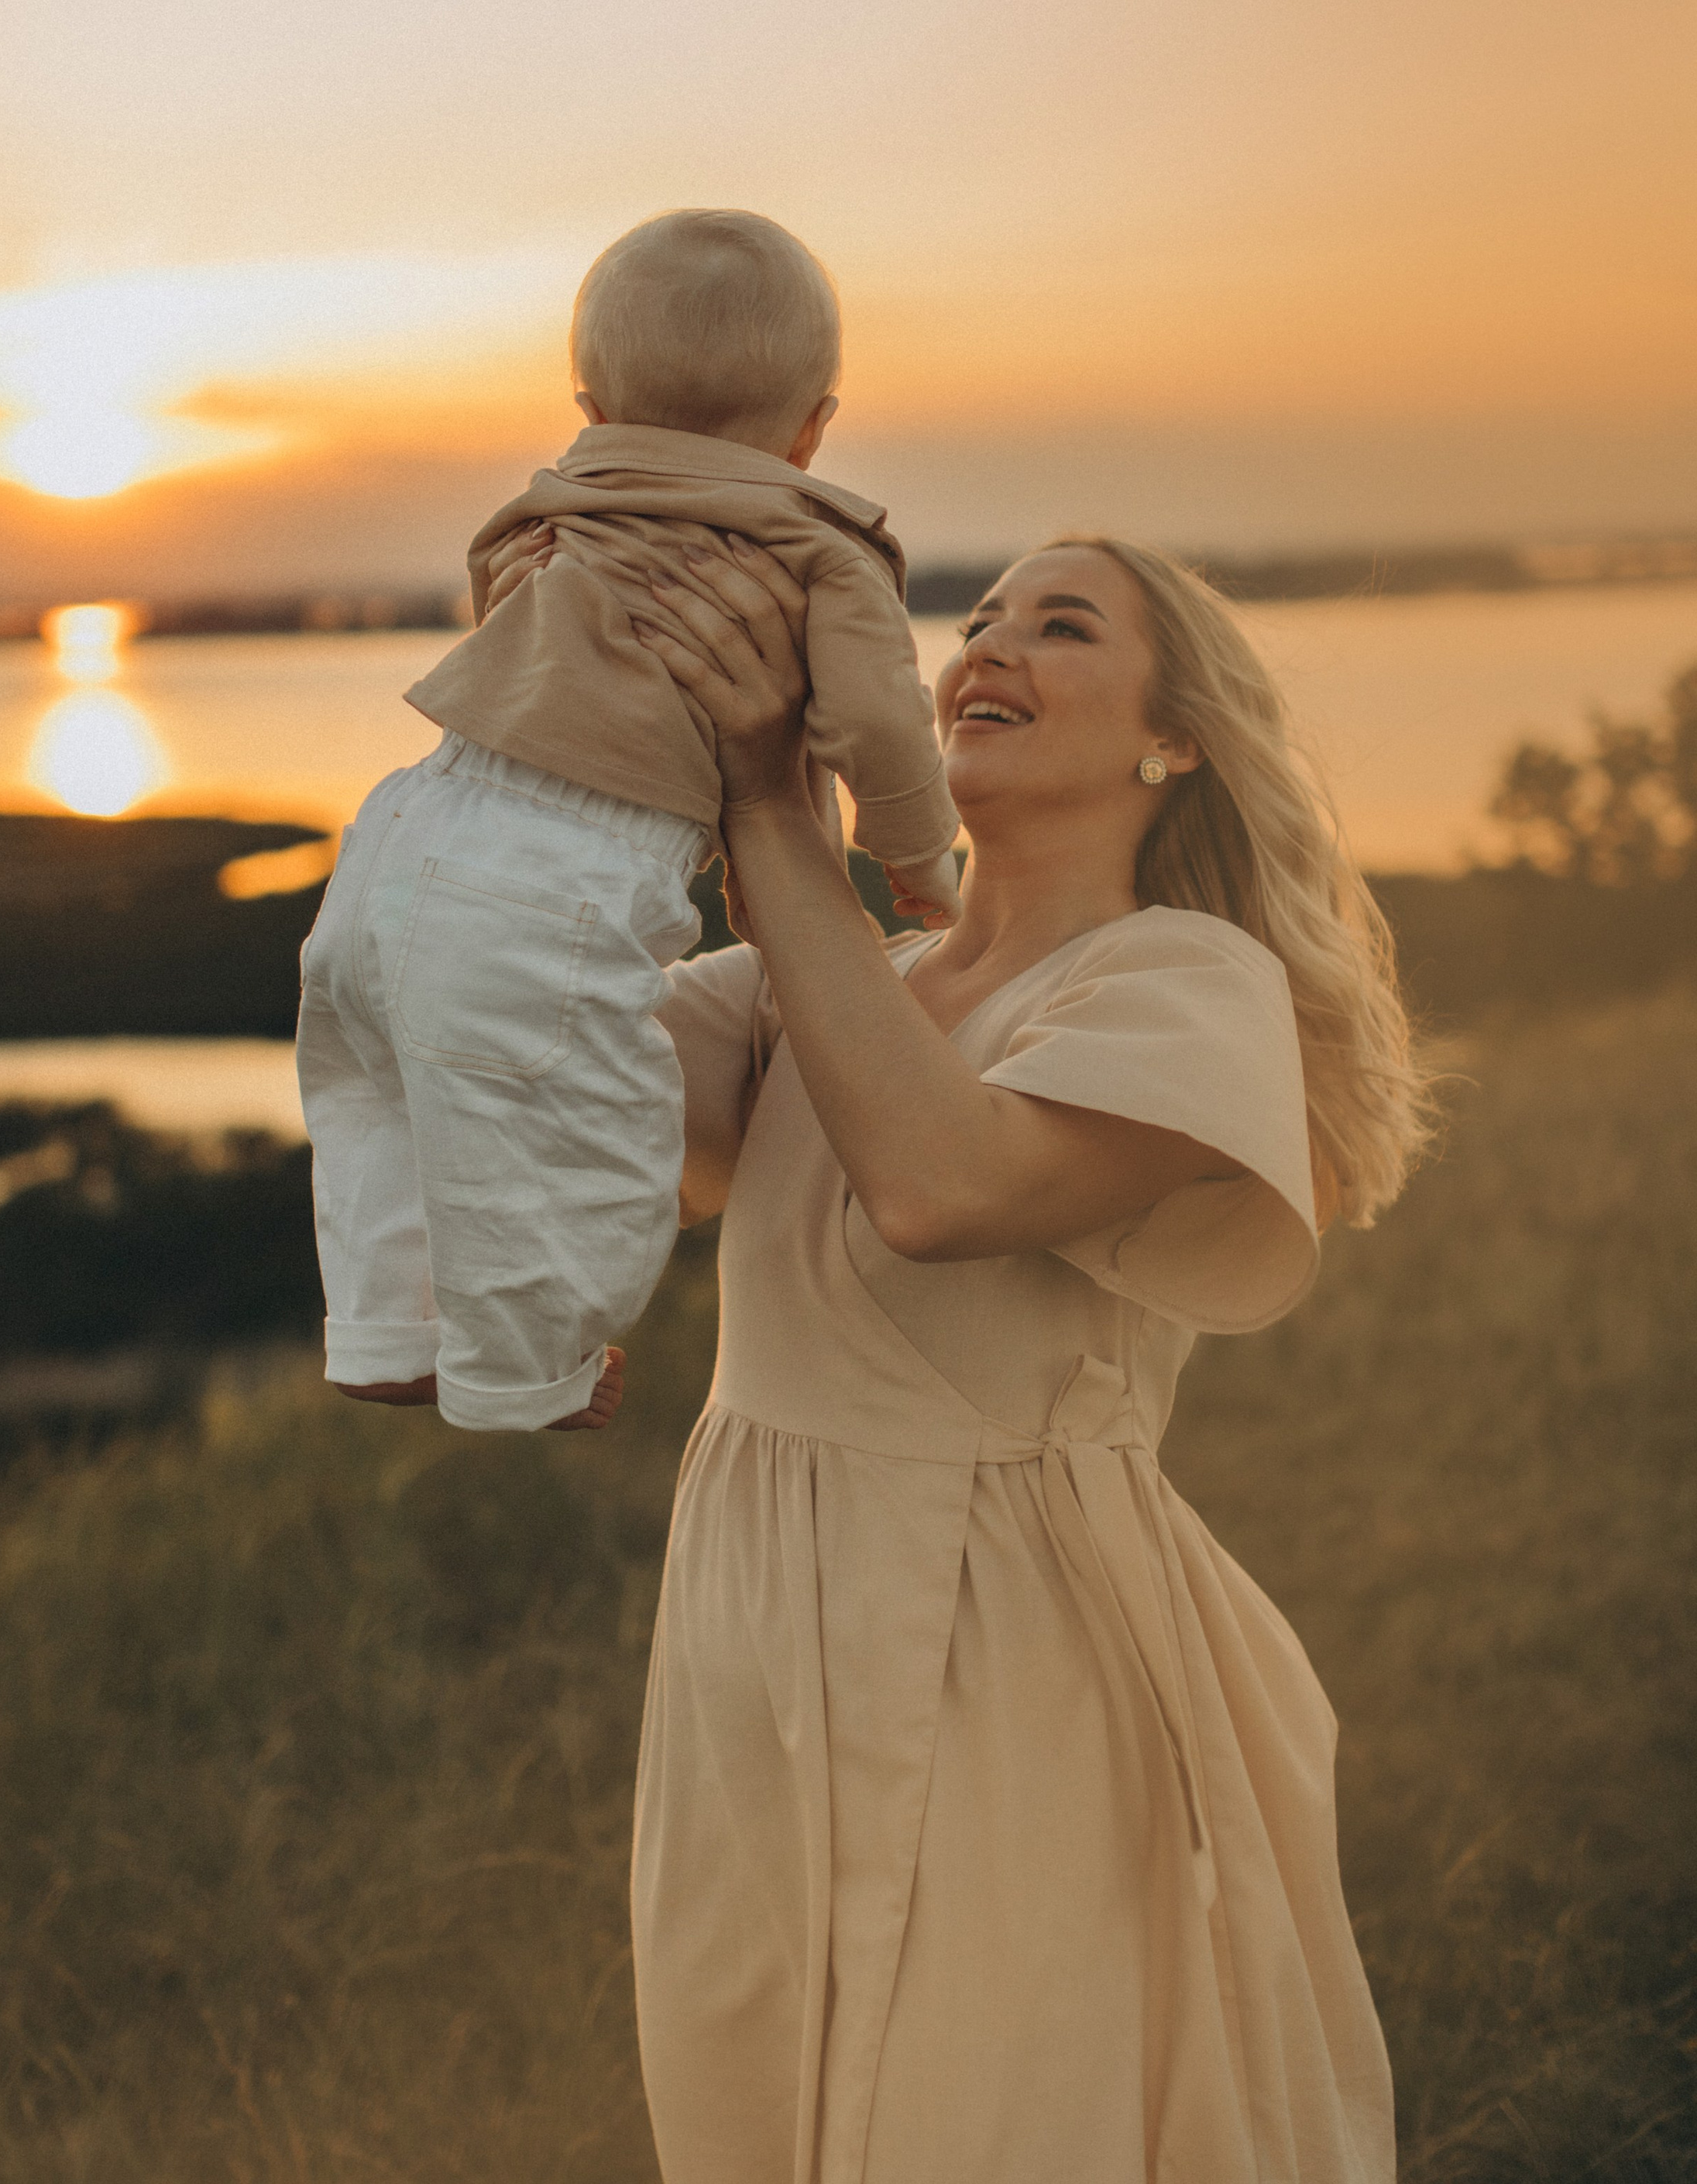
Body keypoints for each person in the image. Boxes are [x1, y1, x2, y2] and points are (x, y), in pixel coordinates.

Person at [613, 528, 1430, 2183]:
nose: (984, 650)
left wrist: (773, 822)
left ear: (1169, 737)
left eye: (1058, 629)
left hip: (1004, 1632)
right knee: (752, 2108)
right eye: (973, 622)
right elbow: (543, 1098)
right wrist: (593, 679)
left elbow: (936, 1187)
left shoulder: (1184, 981)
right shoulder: (840, 986)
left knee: (979, 2124)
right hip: (746, 1624)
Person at [295, 209, 960, 1434]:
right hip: (553, 880)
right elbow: (881, 718)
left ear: (592, 408)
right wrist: (918, 856)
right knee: (568, 1132)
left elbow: (497, 582)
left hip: (407, 825)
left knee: (378, 1089)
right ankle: (522, 1374)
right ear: (816, 420)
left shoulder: (557, 499)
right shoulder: (820, 546)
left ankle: (386, 1329)